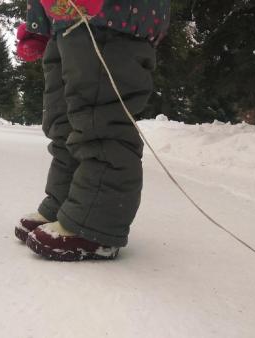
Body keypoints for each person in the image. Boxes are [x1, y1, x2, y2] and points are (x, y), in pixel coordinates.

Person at [14, 0, 170, 261]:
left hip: (114, 19)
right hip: (63, 21)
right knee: (63, 119)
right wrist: (39, 24)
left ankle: (96, 222)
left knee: (99, 119)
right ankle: (69, 202)